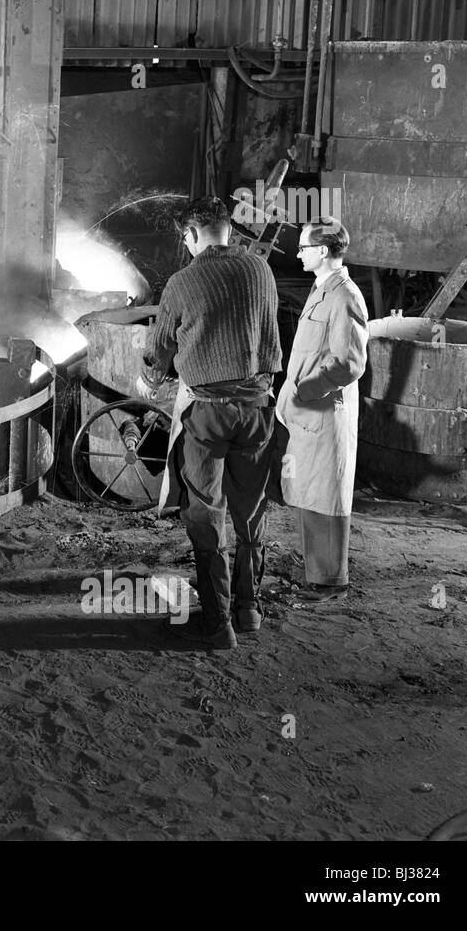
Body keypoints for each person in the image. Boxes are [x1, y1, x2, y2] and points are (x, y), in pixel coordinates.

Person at [135, 196, 282, 650]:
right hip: (258, 411)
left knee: (205, 510)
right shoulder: (261, 271)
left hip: (209, 414)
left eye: (185, 237)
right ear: (227, 227)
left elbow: (159, 353)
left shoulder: (182, 282)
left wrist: (148, 379)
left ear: (194, 234)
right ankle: (249, 608)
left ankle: (218, 624)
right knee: (251, 508)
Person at [275, 219, 368, 600]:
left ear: (324, 251)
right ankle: (318, 573)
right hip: (309, 412)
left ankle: (330, 582)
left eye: (303, 248)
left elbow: (348, 363)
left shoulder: (345, 296)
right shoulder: (322, 290)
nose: (298, 254)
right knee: (311, 494)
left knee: (326, 496)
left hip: (325, 412)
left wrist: (305, 391)